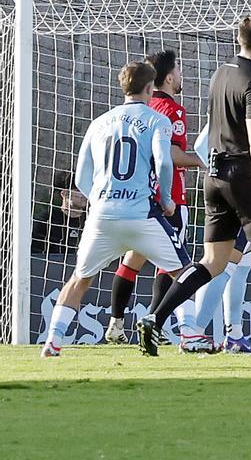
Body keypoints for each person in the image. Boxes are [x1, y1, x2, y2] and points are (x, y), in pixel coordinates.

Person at [138, 13, 251, 356]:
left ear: (238, 39)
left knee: (213, 261)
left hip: (213, 175)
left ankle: (155, 317)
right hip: (244, 176)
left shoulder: (221, 73)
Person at [41, 62, 184, 357]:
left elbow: (81, 176)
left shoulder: (99, 122)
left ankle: (53, 342)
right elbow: (164, 162)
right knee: (183, 273)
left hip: (102, 216)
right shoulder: (158, 120)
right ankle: (192, 333)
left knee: (80, 279)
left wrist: (98, 200)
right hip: (140, 214)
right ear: (150, 88)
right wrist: (166, 200)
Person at [105, 50, 209, 351]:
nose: (182, 75)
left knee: (133, 260)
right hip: (169, 197)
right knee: (174, 263)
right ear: (168, 78)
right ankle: (159, 324)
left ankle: (116, 324)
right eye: (178, 70)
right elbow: (172, 155)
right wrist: (201, 161)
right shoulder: (171, 110)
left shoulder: (141, 109)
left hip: (139, 197)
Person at [190, 51, 251, 353]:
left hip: (232, 184)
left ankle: (234, 334)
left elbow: (201, 145)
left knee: (242, 263)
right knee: (227, 263)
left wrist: (216, 170)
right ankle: (194, 330)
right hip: (248, 191)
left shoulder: (238, 97)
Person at [32, 172, 87, 254]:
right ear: (64, 194)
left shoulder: (93, 220)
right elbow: (36, 252)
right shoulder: (47, 220)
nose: (85, 194)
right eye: (79, 190)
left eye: (86, 190)